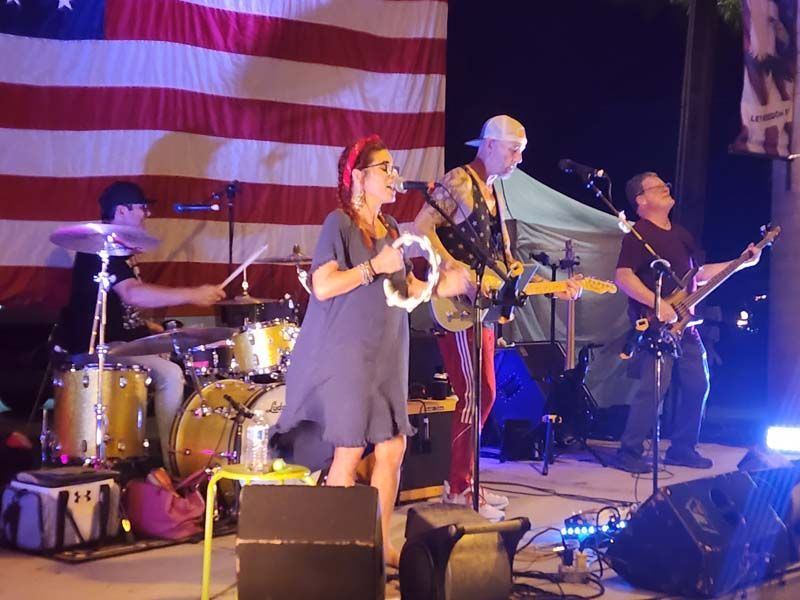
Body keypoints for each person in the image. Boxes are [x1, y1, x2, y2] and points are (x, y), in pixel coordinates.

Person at [271, 135, 468, 568]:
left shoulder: (394, 231)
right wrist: (372, 267)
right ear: (359, 176)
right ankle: (333, 555)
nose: (394, 175)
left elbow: (405, 290)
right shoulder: (338, 223)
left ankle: (378, 546)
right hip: (346, 354)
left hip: (386, 353)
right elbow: (323, 286)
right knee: (347, 452)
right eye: (385, 168)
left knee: (392, 448)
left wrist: (441, 285)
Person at [414, 115, 580, 520]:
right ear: (488, 145)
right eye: (512, 150)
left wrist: (541, 281)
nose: (518, 160)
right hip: (457, 307)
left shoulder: (492, 192)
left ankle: (466, 481)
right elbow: (421, 228)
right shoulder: (459, 180)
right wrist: (454, 269)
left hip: (482, 308)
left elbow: (501, 257)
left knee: (482, 393)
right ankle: (458, 487)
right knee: (477, 394)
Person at [59, 181, 226, 467]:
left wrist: (156, 331)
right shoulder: (101, 250)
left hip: (123, 342)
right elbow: (132, 294)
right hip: (101, 347)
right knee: (171, 373)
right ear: (122, 210)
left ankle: (202, 446)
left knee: (185, 356)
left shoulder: (124, 253)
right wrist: (194, 294)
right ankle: (174, 459)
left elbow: (124, 309)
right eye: (141, 208)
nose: (145, 214)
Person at [612, 172, 761, 473]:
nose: (666, 188)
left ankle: (682, 448)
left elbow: (699, 273)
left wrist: (741, 262)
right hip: (655, 324)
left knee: (698, 384)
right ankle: (629, 451)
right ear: (641, 200)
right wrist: (658, 304)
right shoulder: (638, 235)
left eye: (665, 184)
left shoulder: (681, 234)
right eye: (657, 187)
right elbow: (623, 276)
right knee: (654, 388)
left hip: (686, 325)